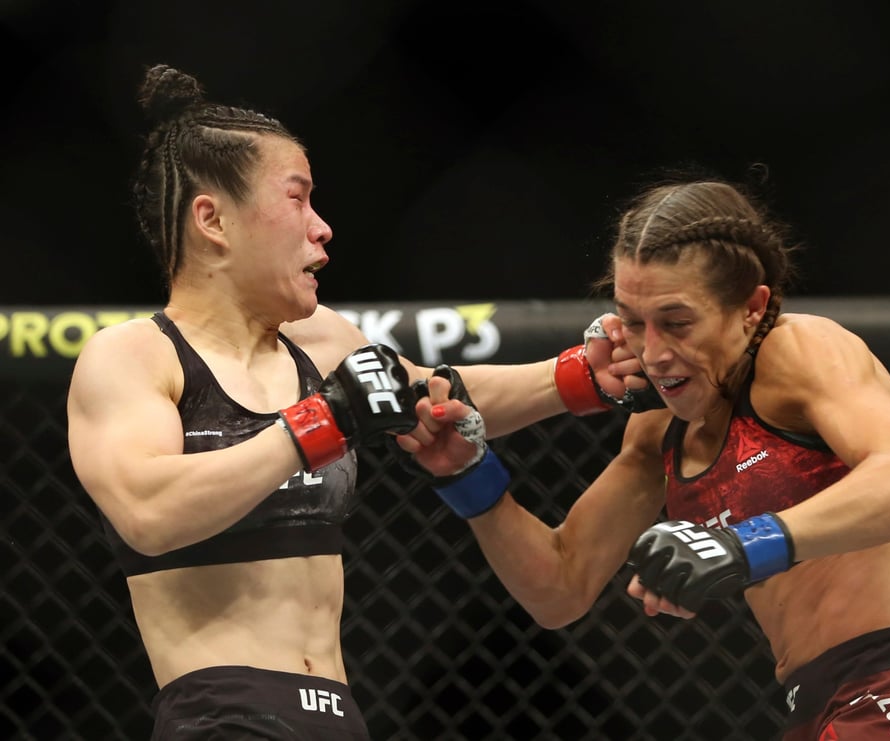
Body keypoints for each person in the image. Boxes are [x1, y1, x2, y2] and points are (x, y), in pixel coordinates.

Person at [65, 64, 629, 739]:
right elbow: (148, 512)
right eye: (297, 199)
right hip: (220, 716)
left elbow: (437, 396)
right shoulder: (133, 356)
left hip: (339, 714)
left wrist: (576, 377)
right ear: (213, 219)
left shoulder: (320, 340)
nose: (323, 228)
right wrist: (315, 424)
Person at [396, 174, 890, 739]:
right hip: (813, 705)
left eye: (677, 322)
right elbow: (560, 586)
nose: (654, 353)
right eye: (633, 323)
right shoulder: (662, 425)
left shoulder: (801, 350)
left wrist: (744, 545)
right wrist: (471, 479)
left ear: (753, 307)